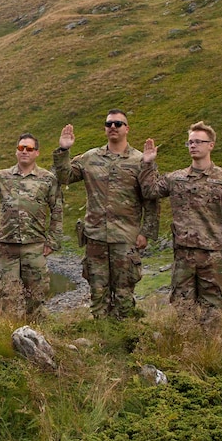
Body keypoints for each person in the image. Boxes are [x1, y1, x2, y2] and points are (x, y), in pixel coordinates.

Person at [53, 110, 159, 318]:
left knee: (124, 294)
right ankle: (101, 339)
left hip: (125, 238)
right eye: (109, 123)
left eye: (118, 124)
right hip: (95, 237)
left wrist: (146, 232)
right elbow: (64, 176)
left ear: (127, 129)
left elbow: (151, 200)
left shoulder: (140, 160)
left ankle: (124, 338)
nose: (113, 127)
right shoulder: (90, 158)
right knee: (98, 293)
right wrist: (63, 150)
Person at [141, 121, 222, 332]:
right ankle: (187, 350)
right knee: (183, 307)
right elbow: (149, 191)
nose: (193, 146)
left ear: (211, 145)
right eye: (190, 142)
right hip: (183, 255)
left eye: (198, 142)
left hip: (212, 255)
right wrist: (149, 163)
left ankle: (210, 351)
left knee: (213, 308)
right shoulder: (176, 178)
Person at [0, 133, 63, 316]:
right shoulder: (2, 176)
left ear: (37, 153)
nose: (24, 151)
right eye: (21, 148)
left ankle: (36, 336)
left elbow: (57, 210)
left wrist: (53, 241)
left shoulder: (48, 179)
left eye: (29, 148)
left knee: (36, 297)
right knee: (6, 296)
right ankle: (8, 336)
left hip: (34, 246)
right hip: (6, 247)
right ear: (16, 152)